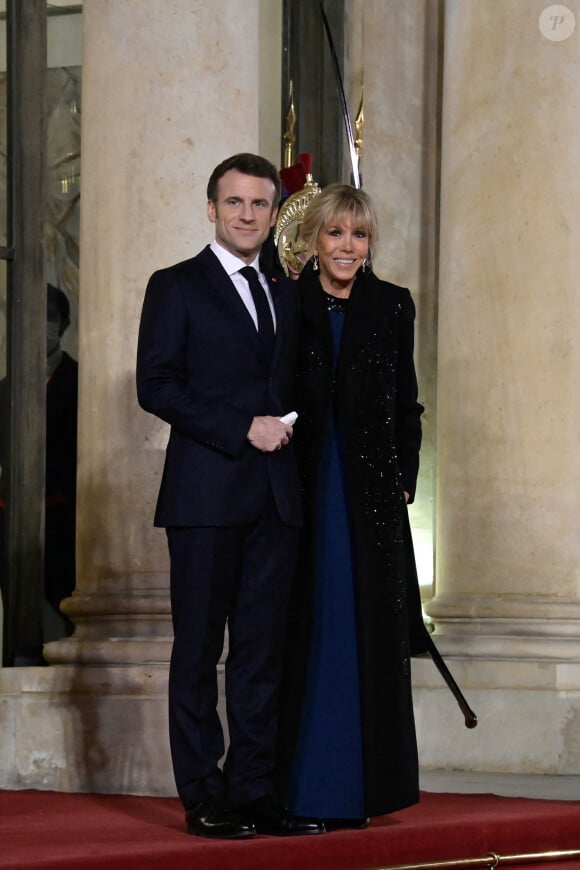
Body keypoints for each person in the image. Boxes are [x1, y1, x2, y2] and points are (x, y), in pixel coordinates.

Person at [136, 153, 324, 839]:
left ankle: (254, 793)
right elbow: (155, 384)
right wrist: (241, 427)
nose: (246, 215)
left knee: (260, 655)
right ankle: (203, 795)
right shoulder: (176, 286)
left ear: (275, 213)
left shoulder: (285, 290)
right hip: (205, 497)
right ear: (212, 209)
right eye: (234, 203)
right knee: (196, 654)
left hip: (276, 502)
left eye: (259, 204)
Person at [279, 183, 431, 828]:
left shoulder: (393, 305)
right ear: (315, 241)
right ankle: (302, 790)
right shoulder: (285, 303)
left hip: (369, 496)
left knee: (364, 631)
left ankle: (362, 791)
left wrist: (404, 479)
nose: (347, 246)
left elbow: (408, 403)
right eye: (336, 233)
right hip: (299, 490)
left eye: (359, 235)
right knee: (307, 630)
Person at [0, 283, 78, 660]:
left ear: (63, 323)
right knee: (18, 634)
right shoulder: (6, 390)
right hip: (13, 528)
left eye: (48, 316)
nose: (39, 326)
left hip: (67, 527)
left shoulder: (81, 383)